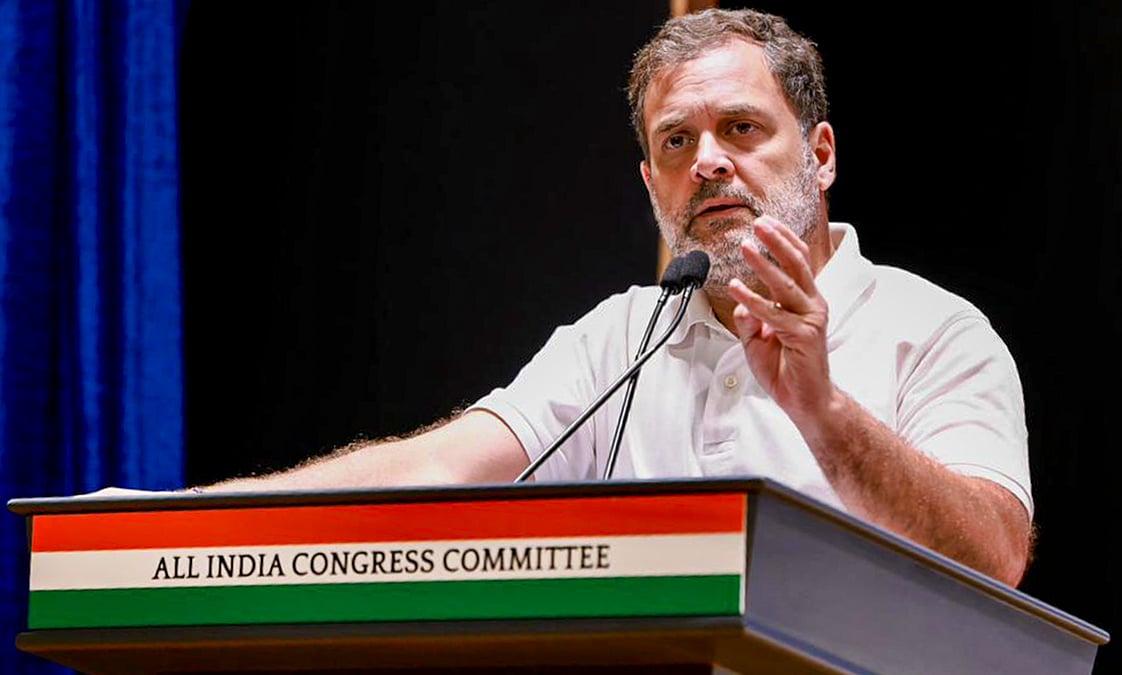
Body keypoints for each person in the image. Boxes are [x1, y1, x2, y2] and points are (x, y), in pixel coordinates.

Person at [206, 9, 1033, 587]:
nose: (707, 161)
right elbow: (442, 466)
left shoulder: (932, 331)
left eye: (741, 127)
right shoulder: (621, 339)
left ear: (820, 155)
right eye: (676, 141)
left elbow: (995, 556)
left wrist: (824, 412)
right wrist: (187, 518)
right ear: (650, 183)